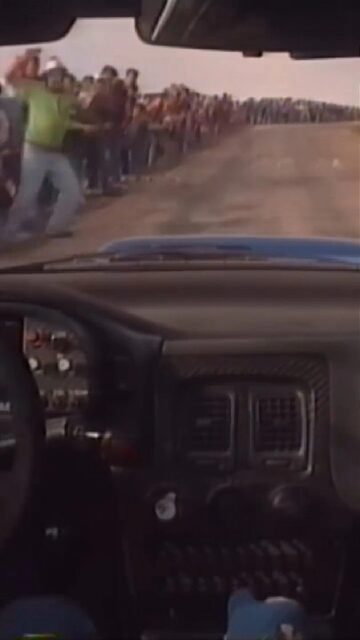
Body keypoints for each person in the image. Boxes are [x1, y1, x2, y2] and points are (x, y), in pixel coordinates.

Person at [3, 52, 96, 241]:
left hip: (55, 153)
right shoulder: (34, 90)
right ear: (46, 77)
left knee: (72, 192)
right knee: (27, 195)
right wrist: (23, 59)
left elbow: (63, 122)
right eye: (53, 75)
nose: (57, 78)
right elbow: (8, 78)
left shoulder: (67, 98)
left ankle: (55, 228)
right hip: (34, 151)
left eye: (60, 75)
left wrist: (84, 127)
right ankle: (8, 234)